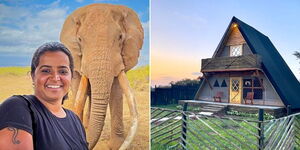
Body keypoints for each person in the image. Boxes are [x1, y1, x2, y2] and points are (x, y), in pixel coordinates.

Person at [0, 42, 88, 150]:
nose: (55, 77)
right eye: (46, 71)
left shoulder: (75, 120)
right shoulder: (18, 107)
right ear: (32, 75)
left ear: (71, 77)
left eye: (63, 71)